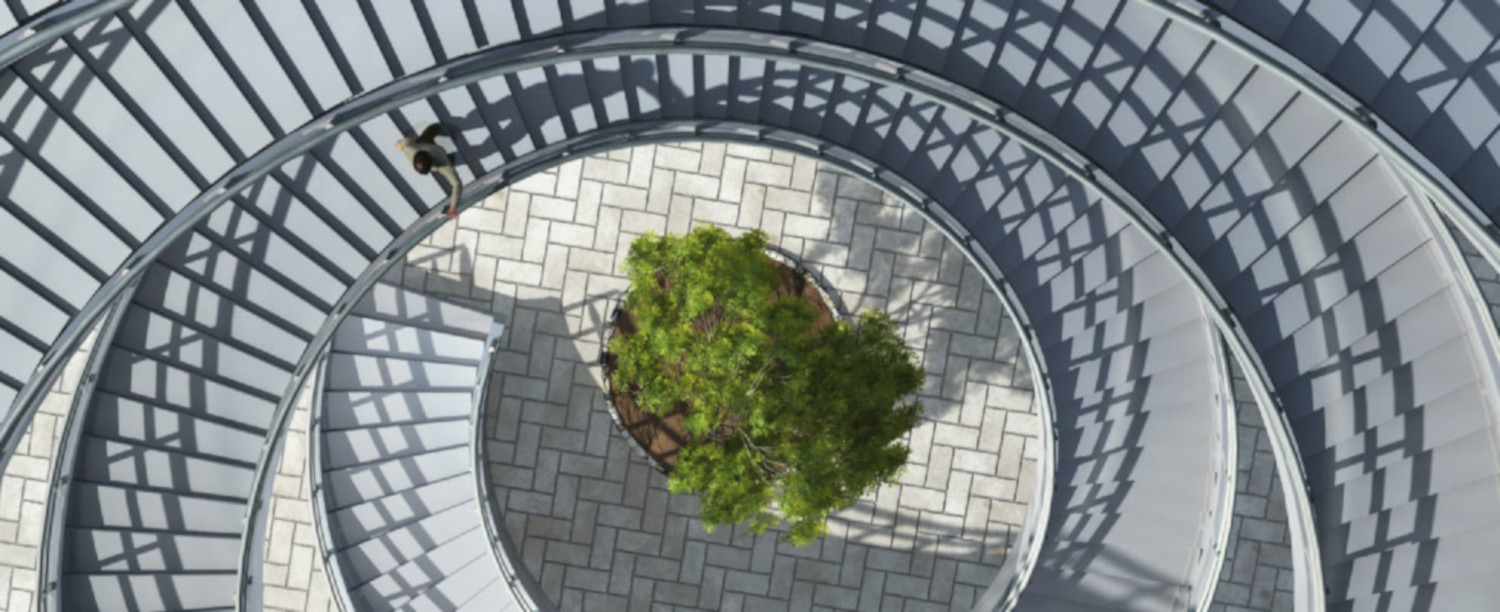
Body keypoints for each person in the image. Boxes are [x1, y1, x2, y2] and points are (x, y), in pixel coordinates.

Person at [395, 124, 463, 220]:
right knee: (427, 135)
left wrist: (453, 206)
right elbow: (403, 143)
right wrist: (400, 145)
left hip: (440, 157)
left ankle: (436, 129)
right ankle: (434, 129)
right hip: (423, 143)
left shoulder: (441, 161)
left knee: (450, 160)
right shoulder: (409, 147)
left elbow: (456, 183)